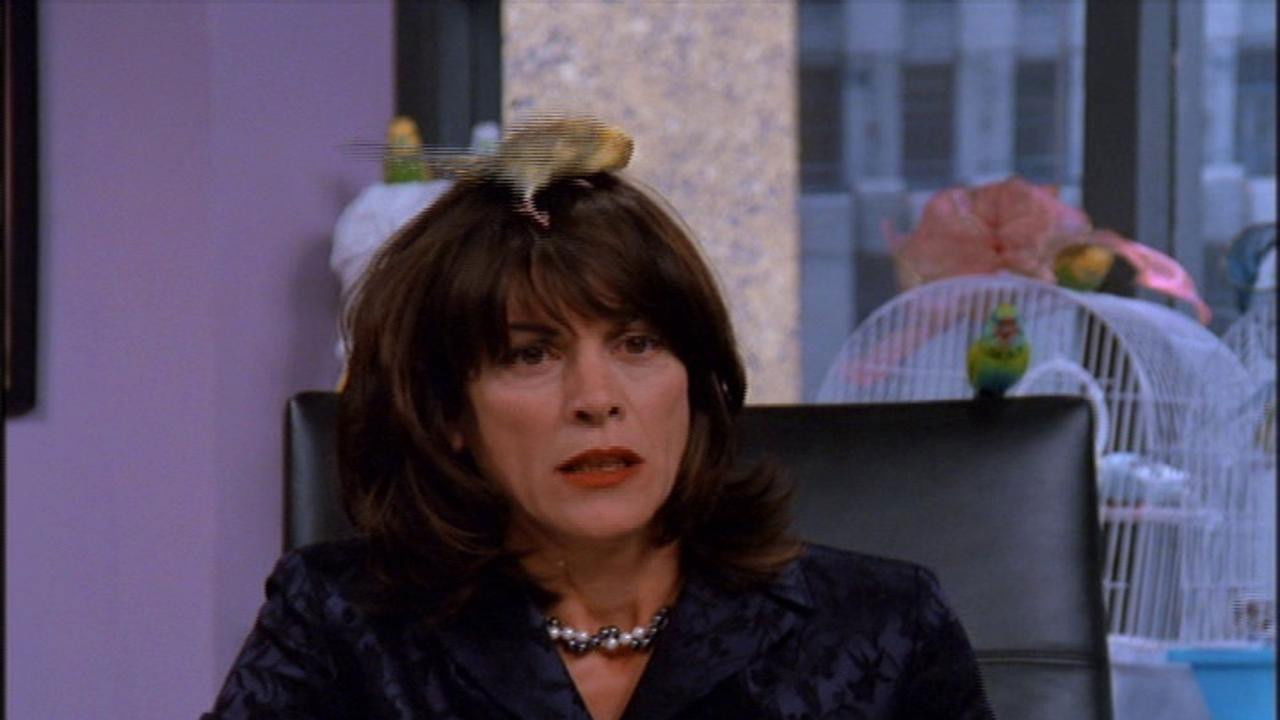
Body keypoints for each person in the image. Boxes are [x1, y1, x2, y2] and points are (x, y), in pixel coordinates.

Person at [204, 118, 994, 720]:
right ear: (448, 412)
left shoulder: (884, 628)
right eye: (530, 354)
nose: (596, 397)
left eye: (637, 343)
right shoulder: (338, 623)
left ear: (695, 382)